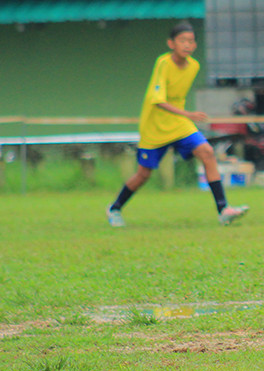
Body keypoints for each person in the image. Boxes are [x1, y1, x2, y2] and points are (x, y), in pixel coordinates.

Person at [106, 21, 249, 227]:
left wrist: (185, 116)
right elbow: (159, 100)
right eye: (182, 41)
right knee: (143, 174)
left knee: (207, 152)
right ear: (171, 43)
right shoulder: (163, 63)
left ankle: (223, 209)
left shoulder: (194, 66)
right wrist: (188, 113)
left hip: (179, 124)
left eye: (191, 41)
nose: (187, 45)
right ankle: (115, 208)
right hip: (154, 127)